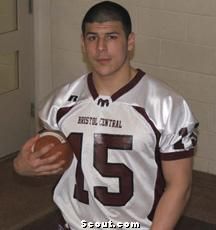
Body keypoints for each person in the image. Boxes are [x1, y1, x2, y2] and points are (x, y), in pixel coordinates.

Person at [13, 1, 199, 229]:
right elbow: (48, 157)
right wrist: (22, 166)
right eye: (92, 38)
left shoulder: (167, 106)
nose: (101, 48)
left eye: (111, 37)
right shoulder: (60, 102)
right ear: (83, 43)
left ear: (130, 42)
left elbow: (180, 185)